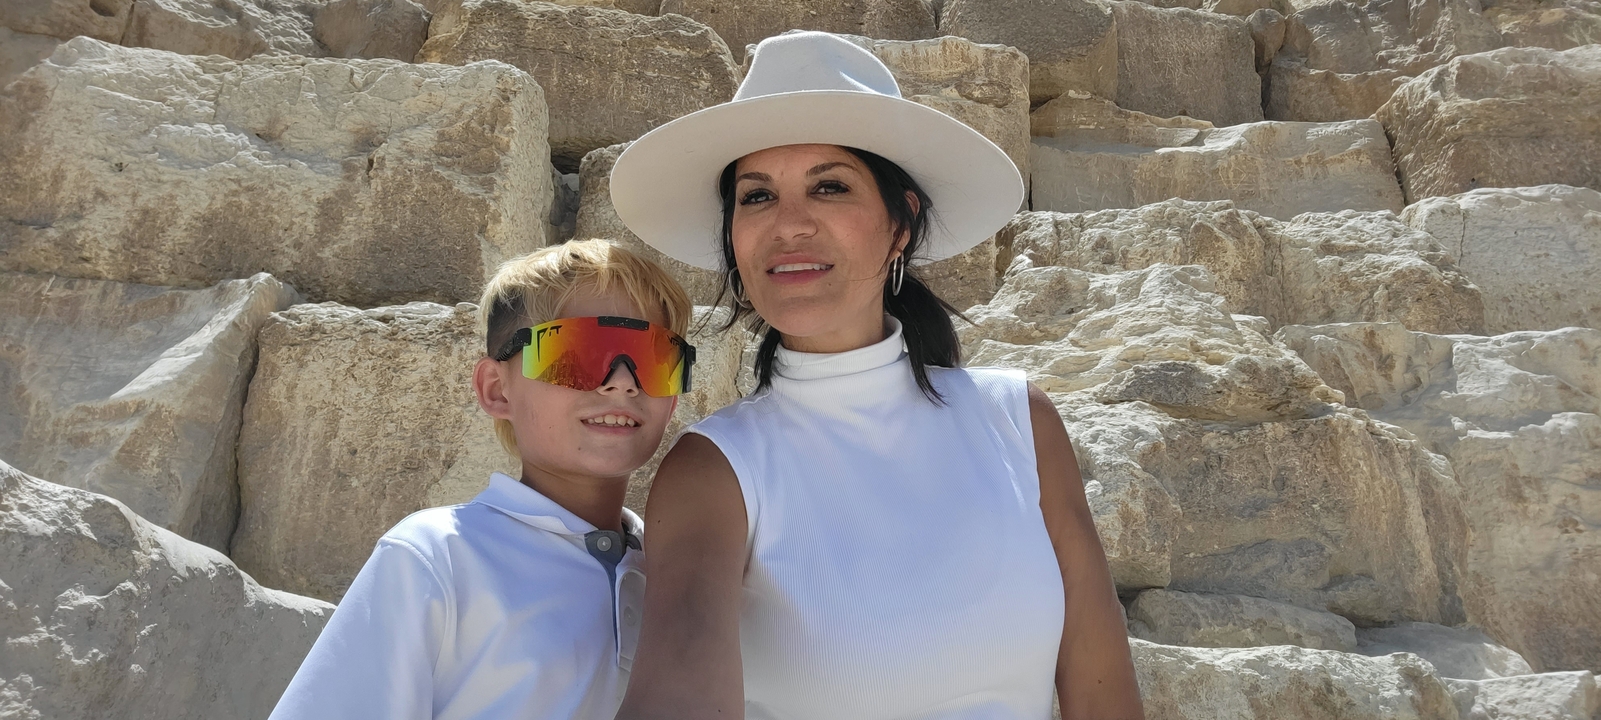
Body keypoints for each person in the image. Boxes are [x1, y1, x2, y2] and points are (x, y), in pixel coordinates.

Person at [608, 31, 1144, 720]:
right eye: (756, 197)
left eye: (828, 187)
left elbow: (1103, 694)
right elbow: (674, 690)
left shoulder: (1018, 422)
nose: (789, 225)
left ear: (900, 225)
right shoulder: (714, 470)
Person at [267, 240, 695, 720]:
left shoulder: (687, 573)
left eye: (656, 357)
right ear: (496, 389)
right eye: (578, 352)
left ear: (673, 398)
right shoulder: (437, 556)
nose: (623, 381)